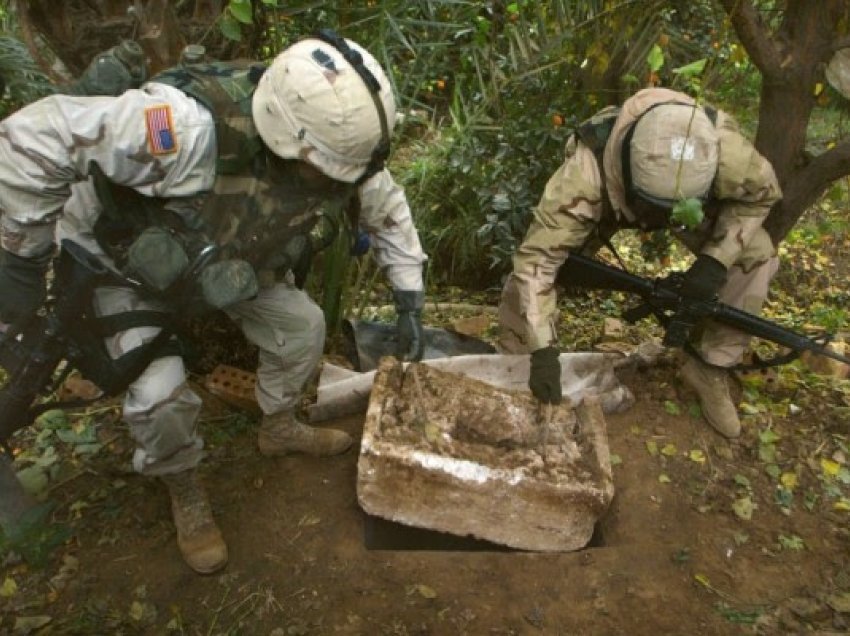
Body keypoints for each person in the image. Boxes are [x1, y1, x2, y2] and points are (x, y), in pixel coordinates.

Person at [0, 31, 427, 574]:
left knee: (302, 327)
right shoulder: (180, 127)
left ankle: (278, 428)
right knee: (159, 396)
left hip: (231, 263)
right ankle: (183, 486)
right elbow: (33, 136)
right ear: (289, 139)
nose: (336, 182)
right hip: (126, 265)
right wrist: (22, 259)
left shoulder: (340, 149)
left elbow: (387, 209)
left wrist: (409, 295)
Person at [498, 87, 781, 440]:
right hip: (611, 197)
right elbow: (537, 261)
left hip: (692, 211)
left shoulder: (727, 154)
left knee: (758, 256)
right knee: (533, 272)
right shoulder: (584, 175)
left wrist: (716, 260)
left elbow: (762, 197)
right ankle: (512, 360)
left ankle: (709, 367)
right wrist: (542, 352)